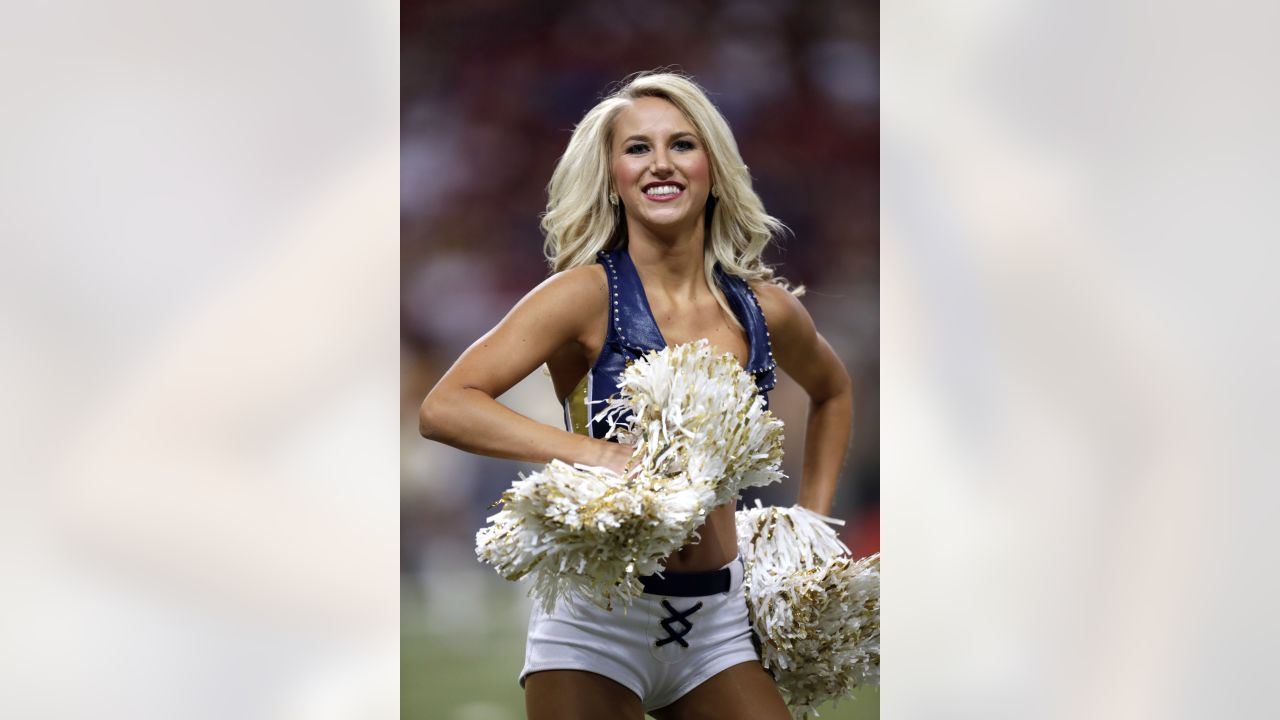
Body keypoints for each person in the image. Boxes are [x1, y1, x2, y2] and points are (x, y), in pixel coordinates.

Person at [419, 71, 853, 720]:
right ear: (613, 177)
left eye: (681, 144)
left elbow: (834, 391)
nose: (660, 163)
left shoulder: (765, 311)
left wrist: (809, 529)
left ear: (713, 166)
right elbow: (445, 405)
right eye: (637, 148)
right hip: (596, 622)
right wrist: (596, 454)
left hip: (719, 622)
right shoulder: (583, 296)